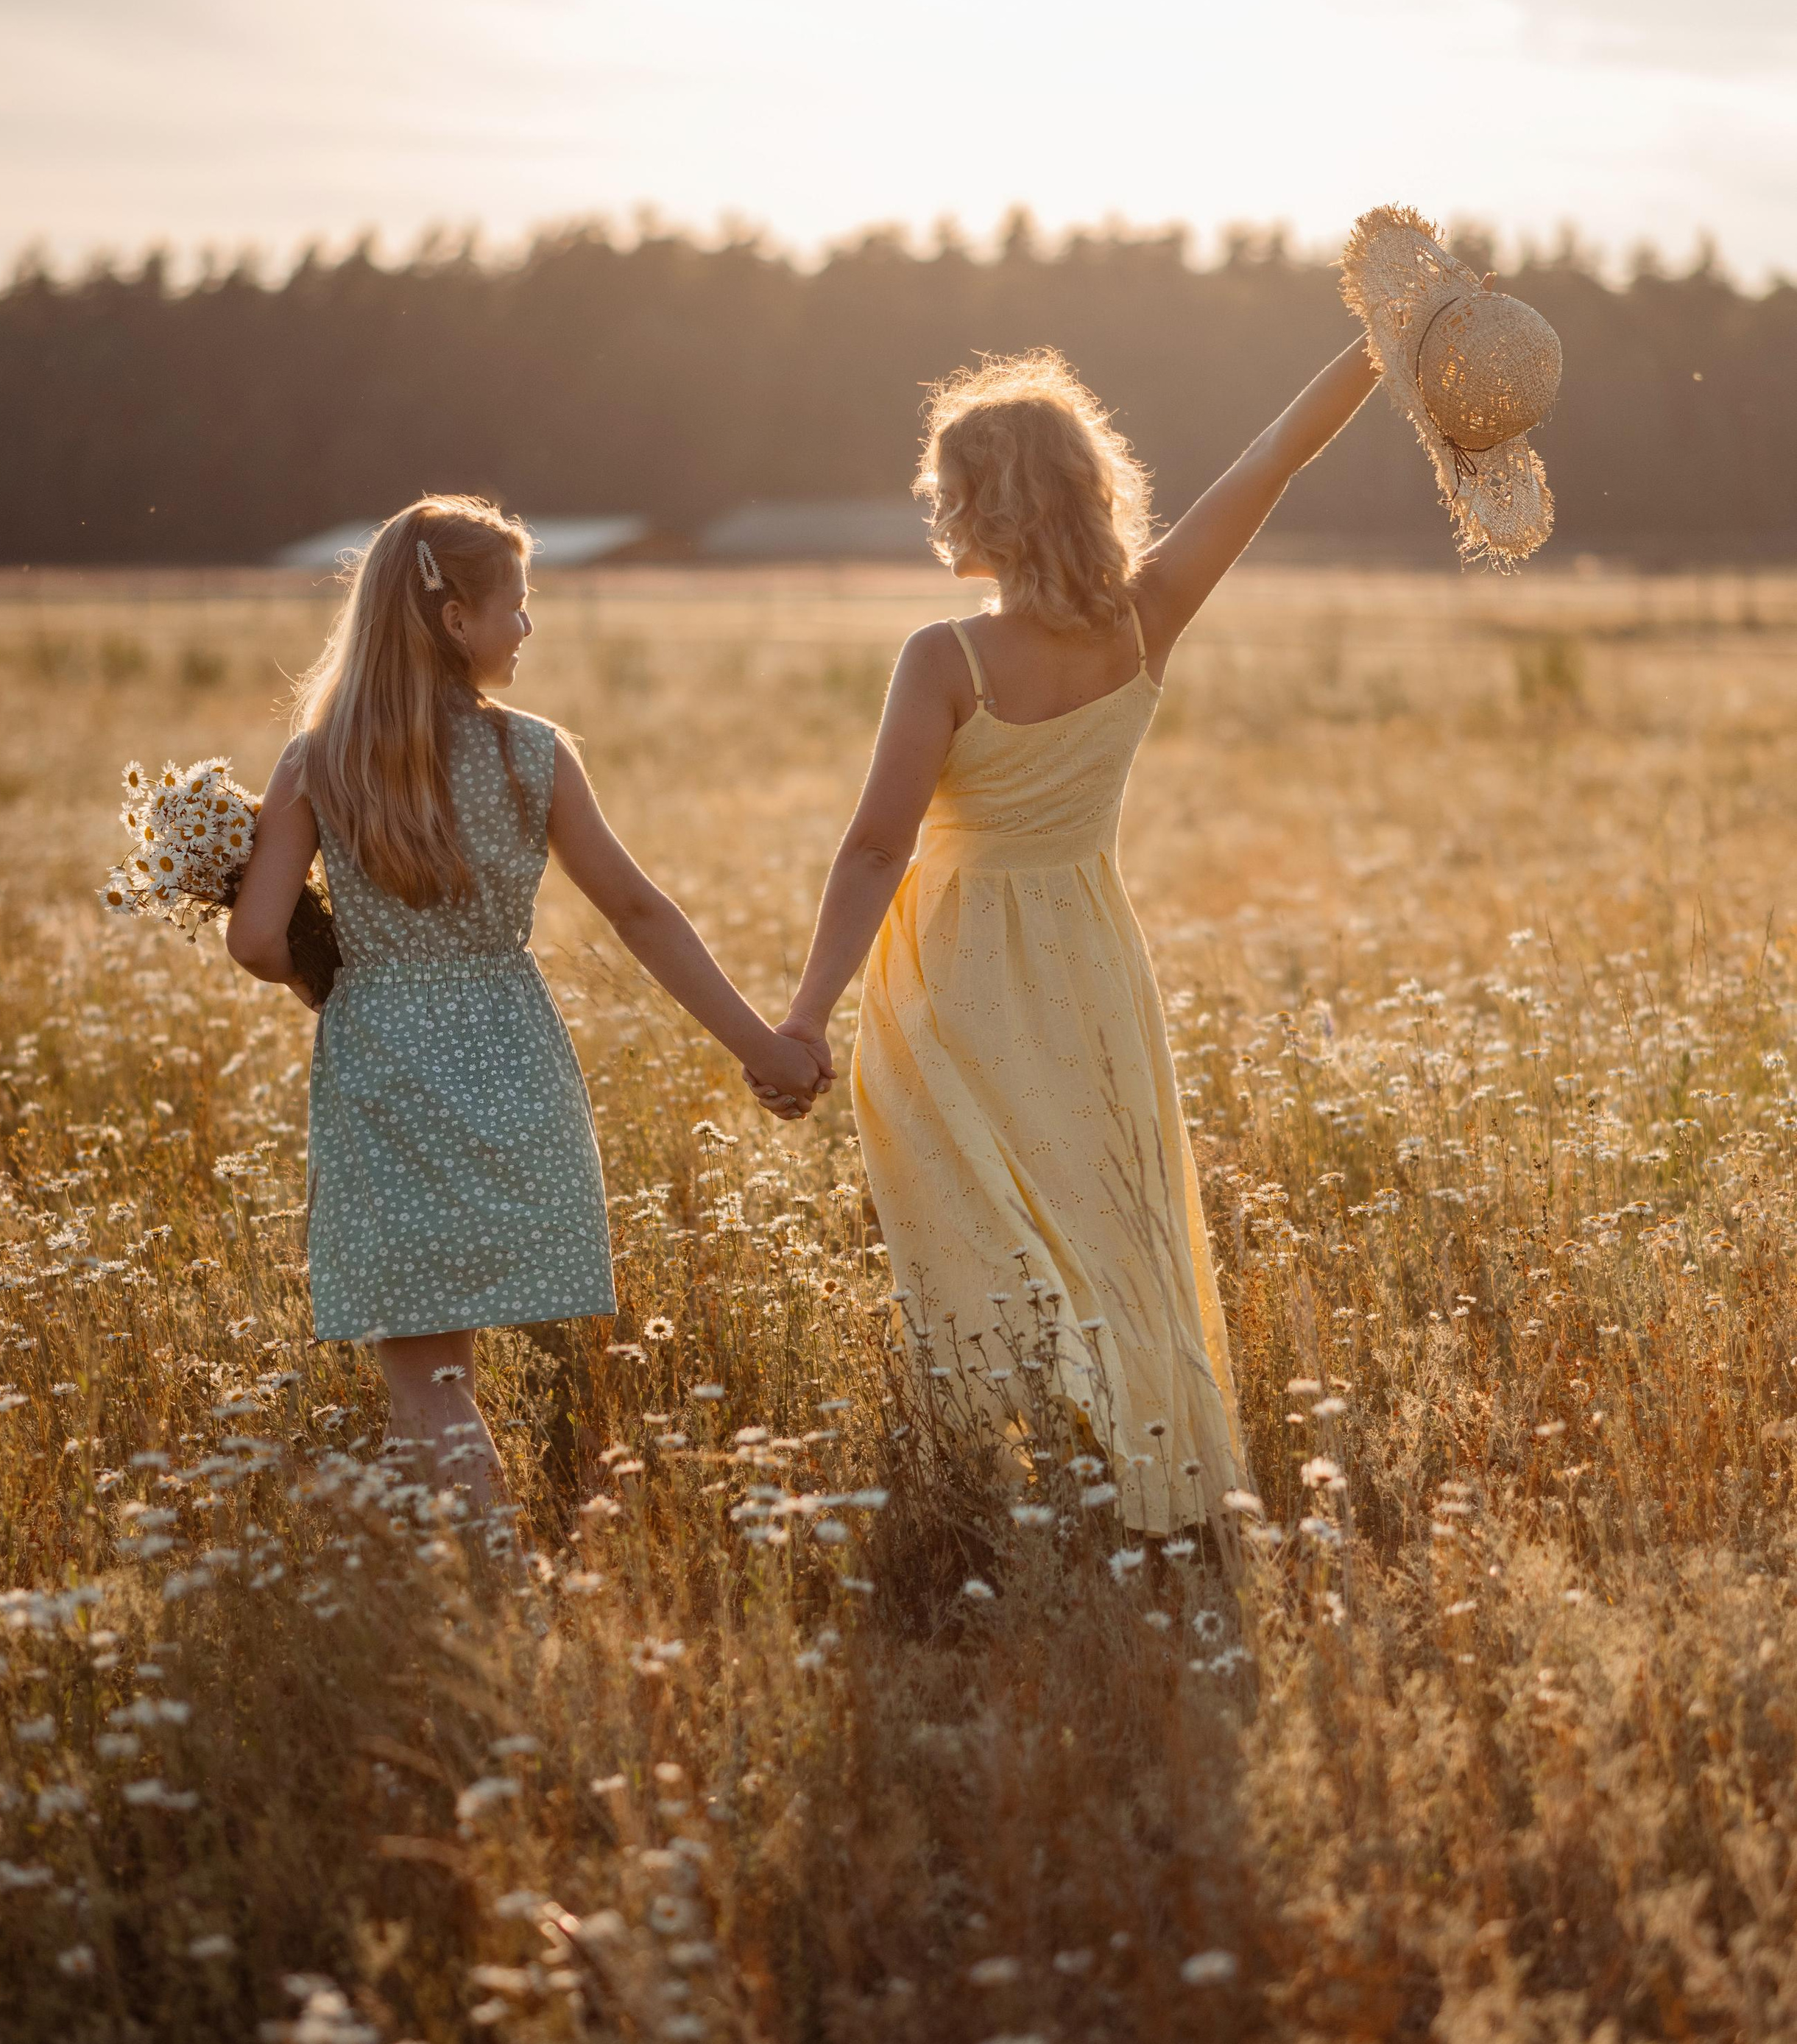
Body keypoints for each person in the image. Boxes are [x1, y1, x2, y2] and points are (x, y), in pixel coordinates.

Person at [759, 337, 1379, 1534]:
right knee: (1109, 1217)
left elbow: (877, 849)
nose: (937, 513)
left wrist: (806, 1012)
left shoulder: (945, 656)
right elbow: (1272, 459)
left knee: (979, 1222)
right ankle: (1140, 1471)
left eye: (949, 492)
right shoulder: (1146, 617)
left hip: (952, 972)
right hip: (1092, 956)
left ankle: (1013, 1484)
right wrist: (1378, 348)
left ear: (994, 505)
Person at [227, 496, 822, 1523]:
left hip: (385, 1076)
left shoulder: (316, 763)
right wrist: (762, 1046)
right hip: (511, 1061)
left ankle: (482, 1579)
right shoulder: (532, 754)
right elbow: (639, 911)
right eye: (518, 605)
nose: (527, 628)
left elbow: (254, 940)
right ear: (455, 619)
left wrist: (325, 975)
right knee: (451, 1377)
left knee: (424, 1374)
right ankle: (473, 1571)